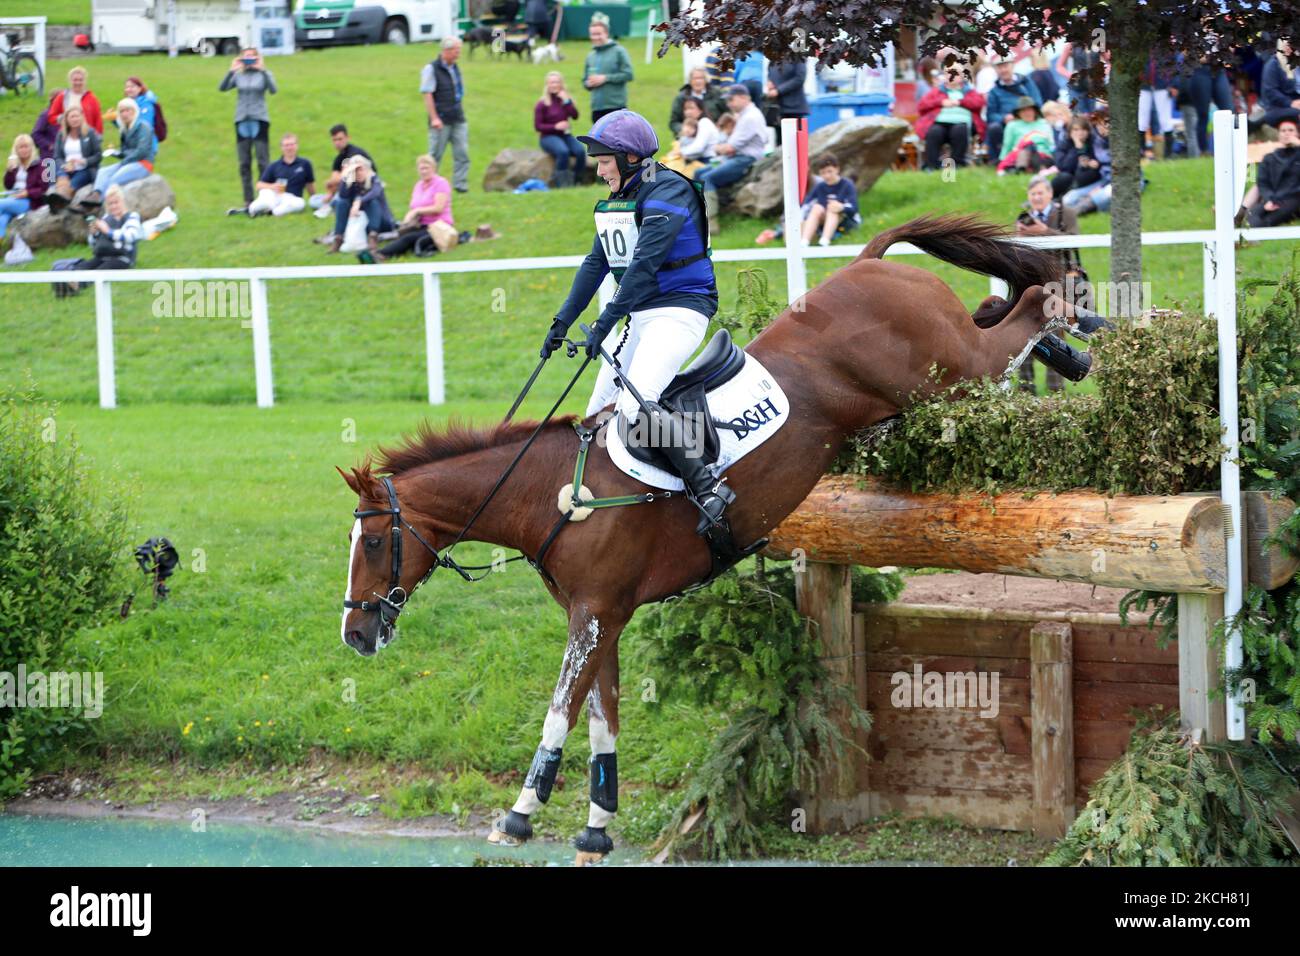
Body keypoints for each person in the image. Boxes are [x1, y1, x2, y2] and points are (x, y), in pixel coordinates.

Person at [539, 110, 730, 533]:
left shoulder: (670, 191)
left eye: (605, 159)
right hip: (641, 316)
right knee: (595, 418)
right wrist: (561, 322)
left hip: (681, 311)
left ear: (628, 159)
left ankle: (708, 488)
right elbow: (597, 262)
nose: (599, 168)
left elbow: (643, 266)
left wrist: (604, 324)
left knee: (633, 404)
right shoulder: (619, 199)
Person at [1015, 175, 1083, 393]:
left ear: (1050, 194)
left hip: (1059, 286)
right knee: (1022, 336)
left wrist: (1043, 232)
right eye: (1033, 194)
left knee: (1055, 335)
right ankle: (1026, 391)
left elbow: (1074, 241)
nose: (1036, 197)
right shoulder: (1023, 218)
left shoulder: (1067, 214)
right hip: (1029, 287)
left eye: (1040, 193)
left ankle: (1056, 392)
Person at [694, 84, 767, 234]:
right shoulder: (746, 115)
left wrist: (716, 148)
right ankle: (699, 215)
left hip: (746, 159)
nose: (728, 104)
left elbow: (730, 147)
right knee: (699, 173)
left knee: (707, 178)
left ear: (743, 98)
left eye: (731, 100)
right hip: (738, 156)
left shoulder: (750, 117)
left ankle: (711, 224)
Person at [360, 154, 452, 263]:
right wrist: (408, 220)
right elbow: (413, 206)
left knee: (408, 238)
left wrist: (417, 211)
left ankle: (379, 255)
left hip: (438, 226)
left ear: (434, 168)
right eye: (421, 168)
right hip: (420, 224)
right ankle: (378, 253)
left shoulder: (441, 183)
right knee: (401, 235)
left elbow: (438, 208)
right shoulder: (418, 185)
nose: (423, 171)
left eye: (426, 168)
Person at [220, 48, 278, 212]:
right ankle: (248, 200)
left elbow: (274, 90)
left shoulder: (263, 74)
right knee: (244, 163)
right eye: (246, 57)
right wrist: (230, 71)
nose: (249, 60)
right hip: (241, 120)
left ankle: (264, 198)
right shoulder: (238, 75)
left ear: (258, 58)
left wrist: (264, 70)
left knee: (262, 161)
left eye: (252, 57)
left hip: (259, 119)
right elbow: (222, 88)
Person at [421, 36, 470, 194]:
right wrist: (434, 117)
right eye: (456, 51)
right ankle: (429, 185)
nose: (458, 54)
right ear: (446, 51)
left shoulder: (454, 67)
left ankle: (460, 185)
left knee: (462, 152)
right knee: (435, 155)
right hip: (440, 119)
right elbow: (427, 94)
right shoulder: (431, 69)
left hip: (457, 116)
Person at [85, 98, 155, 202]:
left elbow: (142, 151)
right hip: (129, 162)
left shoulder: (143, 127)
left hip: (143, 163)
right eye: (121, 111)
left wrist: (125, 160)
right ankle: (96, 194)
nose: (124, 114)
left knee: (114, 179)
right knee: (103, 171)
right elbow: (125, 152)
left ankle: (99, 203)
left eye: (128, 110)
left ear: (134, 111)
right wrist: (115, 153)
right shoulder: (124, 130)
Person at [915, 68, 986, 170]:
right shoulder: (937, 91)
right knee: (934, 132)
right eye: (948, 72)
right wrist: (941, 102)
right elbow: (921, 106)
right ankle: (931, 166)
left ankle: (956, 164)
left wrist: (960, 102)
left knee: (959, 130)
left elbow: (979, 103)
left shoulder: (969, 91)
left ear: (962, 76)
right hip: (939, 123)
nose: (951, 75)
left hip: (961, 123)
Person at [1238, 117, 1300, 227]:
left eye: (1291, 130)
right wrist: (1270, 199)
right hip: (1273, 197)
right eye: (1283, 131)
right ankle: (1243, 229)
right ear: (1278, 135)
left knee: (1271, 219)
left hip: (1294, 198)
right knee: (1254, 215)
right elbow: (1262, 182)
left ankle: (1251, 238)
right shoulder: (1270, 158)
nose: (1287, 134)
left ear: (1297, 134)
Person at [329, 155, 396, 254]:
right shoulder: (352, 182)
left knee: (372, 202)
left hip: (381, 222)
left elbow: (375, 192)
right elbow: (342, 195)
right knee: (341, 202)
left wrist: (359, 201)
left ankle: (373, 236)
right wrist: (346, 175)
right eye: (355, 171)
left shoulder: (374, 179)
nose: (358, 173)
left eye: (361, 170)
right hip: (360, 222)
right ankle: (338, 237)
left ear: (367, 169)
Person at [309, 124, 377, 219]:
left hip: (362, 191)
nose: (337, 142)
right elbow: (335, 180)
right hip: (343, 190)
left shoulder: (354, 154)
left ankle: (332, 206)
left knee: (340, 198)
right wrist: (329, 193)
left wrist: (332, 183)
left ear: (347, 138)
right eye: (334, 140)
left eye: (340, 139)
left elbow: (343, 177)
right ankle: (331, 205)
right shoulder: (339, 158)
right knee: (313, 200)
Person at [984, 56, 1043, 161]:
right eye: (999, 67)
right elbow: (991, 114)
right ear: (996, 70)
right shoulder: (994, 91)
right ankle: (999, 159)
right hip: (1006, 124)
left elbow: (1037, 103)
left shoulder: (1026, 83)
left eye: (1005, 66)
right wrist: (1004, 118)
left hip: (1027, 119)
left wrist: (1023, 115)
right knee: (993, 128)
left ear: (1013, 66)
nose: (1003, 70)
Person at [46, 106, 102, 210]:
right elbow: (57, 156)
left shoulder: (90, 133)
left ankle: (62, 200)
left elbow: (98, 155)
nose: (75, 119)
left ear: (82, 117)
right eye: (72, 117)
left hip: (84, 168)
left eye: (77, 116)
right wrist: (64, 165)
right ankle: (57, 198)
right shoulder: (61, 135)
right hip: (66, 167)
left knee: (74, 182)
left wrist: (84, 161)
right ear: (66, 119)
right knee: (58, 175)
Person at [535, 71, 585, 188]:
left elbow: (575, 116)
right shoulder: (542, 104)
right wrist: (555, 126)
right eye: (552, 82)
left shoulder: (565, 100)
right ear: (547, 85)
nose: (554, 85)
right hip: (547, 137)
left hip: (565, 135)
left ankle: (577, 181)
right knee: (563, 152)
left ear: (561, 84)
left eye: (557, 82)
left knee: (580, 151)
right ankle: (562, 184)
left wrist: (567, 101)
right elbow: (538, 126)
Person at [247, 133, 315, 217]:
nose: (289, 148)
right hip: (275, 196)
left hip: (292, 198)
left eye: (292, 144)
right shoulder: (274, 165)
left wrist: (313, 200)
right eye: (286, 145)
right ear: (282, 148)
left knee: (300, 203)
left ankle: (271, 212)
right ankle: (252, 209)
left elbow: (310, 184)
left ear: (297, 146)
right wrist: (272, 186)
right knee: (266, 194)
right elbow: (259, 185)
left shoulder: (305, 164)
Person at [800, 153, 859, 246]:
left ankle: (824, 241)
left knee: (832, 208)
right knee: (817, 207)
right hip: (822, 220)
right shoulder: (820, 186)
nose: (827, 176)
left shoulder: (847, 184)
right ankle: (804, 242)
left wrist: (842, 207)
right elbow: (805, 205)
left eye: (829, 171)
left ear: (837, 169)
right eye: (823, 173)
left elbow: (854, 208)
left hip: (844, 220)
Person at [1062, 110, 1114, 215]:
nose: (1101, 127)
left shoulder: (1120, 141)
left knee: (1103, 195)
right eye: (1098, 125)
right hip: (1103, 180)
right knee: (1068, 199)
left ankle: (1077, 211)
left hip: (1121, 181)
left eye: (1105, 124)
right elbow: (1066, 167)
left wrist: (1100, 188)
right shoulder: (1097, 142)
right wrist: (1085, 165)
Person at [583, 17, 633, 123]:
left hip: (616, 108)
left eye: (598, 34)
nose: (595, 37)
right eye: (593, 34)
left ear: (606, 33)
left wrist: (605, 78)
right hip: (596, 109)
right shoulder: (590, 56)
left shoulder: (619, 51)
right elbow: (585, 81)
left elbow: (628, 74)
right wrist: (588, 83)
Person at [1, 134, 47, 238]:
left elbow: (44, 189)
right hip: (12, 197)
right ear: (16, 150)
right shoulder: (15, 164)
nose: (24, 150)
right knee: (3, 217)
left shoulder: (41, 165)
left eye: (26, 146)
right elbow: (8, 186)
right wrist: (9, 171)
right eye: (20, 147)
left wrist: (27, 193)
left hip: (29, 201)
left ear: (31, 148)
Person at [997, 97, 1055, 173]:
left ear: (1035, 111)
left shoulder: (1045, 123)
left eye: (1029, 110)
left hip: (1042, 155)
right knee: (1027, 146)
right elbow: (1007, 145)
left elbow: (1052, 144)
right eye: (1023, 110)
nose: (1027, 113)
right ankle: (1022, 168)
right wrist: (1003, 160)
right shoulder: (1012, 125)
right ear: (1018, 113)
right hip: (1019, 154)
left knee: (1031, 146)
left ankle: (1022, 169)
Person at [1048, 116, 1100, 198]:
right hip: (1069, 177)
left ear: (1088, 131)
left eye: (1083, 129)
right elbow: (1063, 167)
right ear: (1070, 132)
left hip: (1085, 177)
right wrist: (1077, 148)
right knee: (1064, 177)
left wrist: (1091, 163)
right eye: (1076, 130)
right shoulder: (1064, 144)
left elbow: (1097, 160)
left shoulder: (1093, 142)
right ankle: (1048, 196)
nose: (1080, 132)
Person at [47, 66, 104, 134]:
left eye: (80, 80)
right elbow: (51, 116)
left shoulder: (92, 98)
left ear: (85, 81)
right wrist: (64, 118)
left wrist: (97, 137)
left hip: (86, 135)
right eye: (75, 80)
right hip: (67, 135)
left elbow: (98, 120)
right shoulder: (62, 97)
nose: (78, 83)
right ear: (70, 81)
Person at [669, 67, 726, 134]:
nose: (698, 81)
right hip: (689, 135)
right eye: (695, 78)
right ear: (690, 81)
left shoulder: (716, 93)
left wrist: (721, 126)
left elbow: (728, 114)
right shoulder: (682, 98)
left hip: (714, 133)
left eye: (701, 78)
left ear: (706, 80)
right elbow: (674, 122)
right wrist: (684, 129)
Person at [1259, 40, 1300, 132]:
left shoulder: (1297, 62)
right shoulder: (1273, 64)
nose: (1289, 48)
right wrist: (1291, 103)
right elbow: (1271, 92)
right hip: (1278, 107)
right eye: (1286, 45)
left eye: (1292, 45)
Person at [765, 58, 809, 141]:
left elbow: (800, 78)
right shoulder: (773, 58)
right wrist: (770, 83)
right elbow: (770, 74)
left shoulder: (797, 57)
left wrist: (779, 90)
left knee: (796, 141)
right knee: (780, 141)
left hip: (794, 108)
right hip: (778, 107)